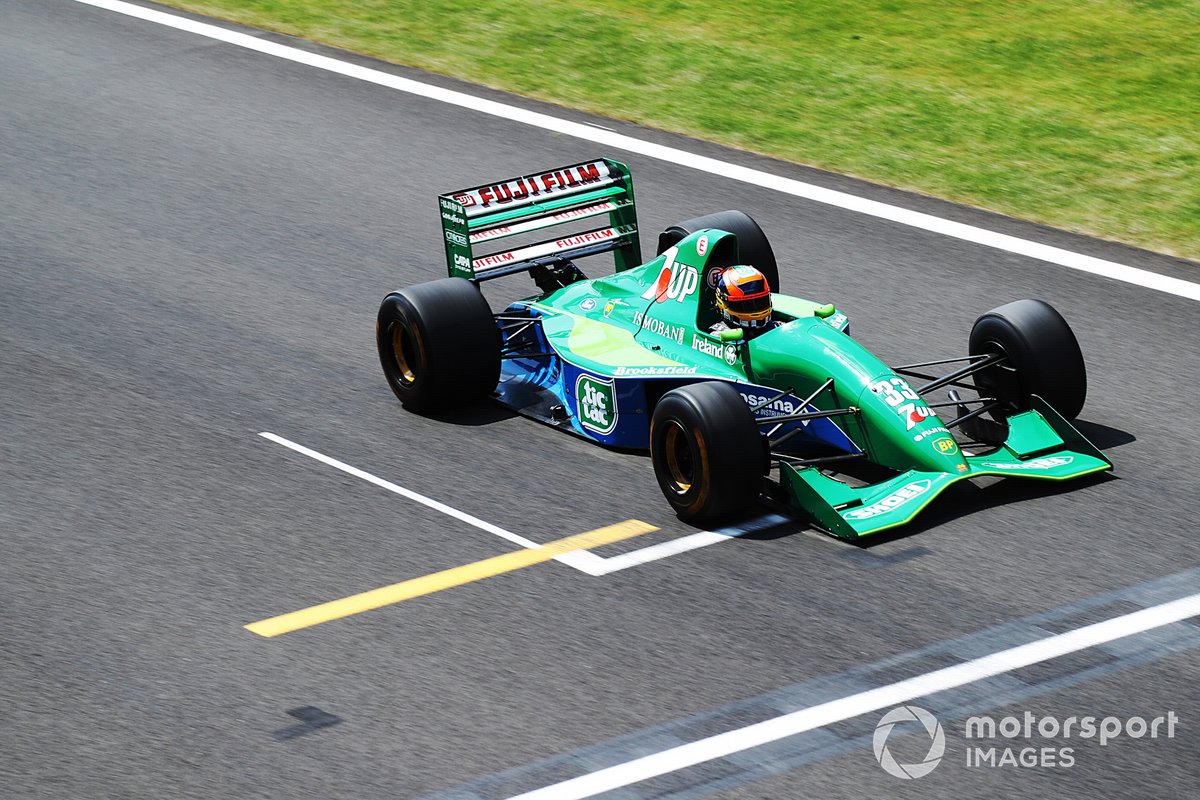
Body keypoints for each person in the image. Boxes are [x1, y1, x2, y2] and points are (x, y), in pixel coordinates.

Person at [710, 265, 776, 336]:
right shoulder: (717, 335)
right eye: (747, 305)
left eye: (761, 302)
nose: (757, 311)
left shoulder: (777, 326)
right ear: (723, 303)